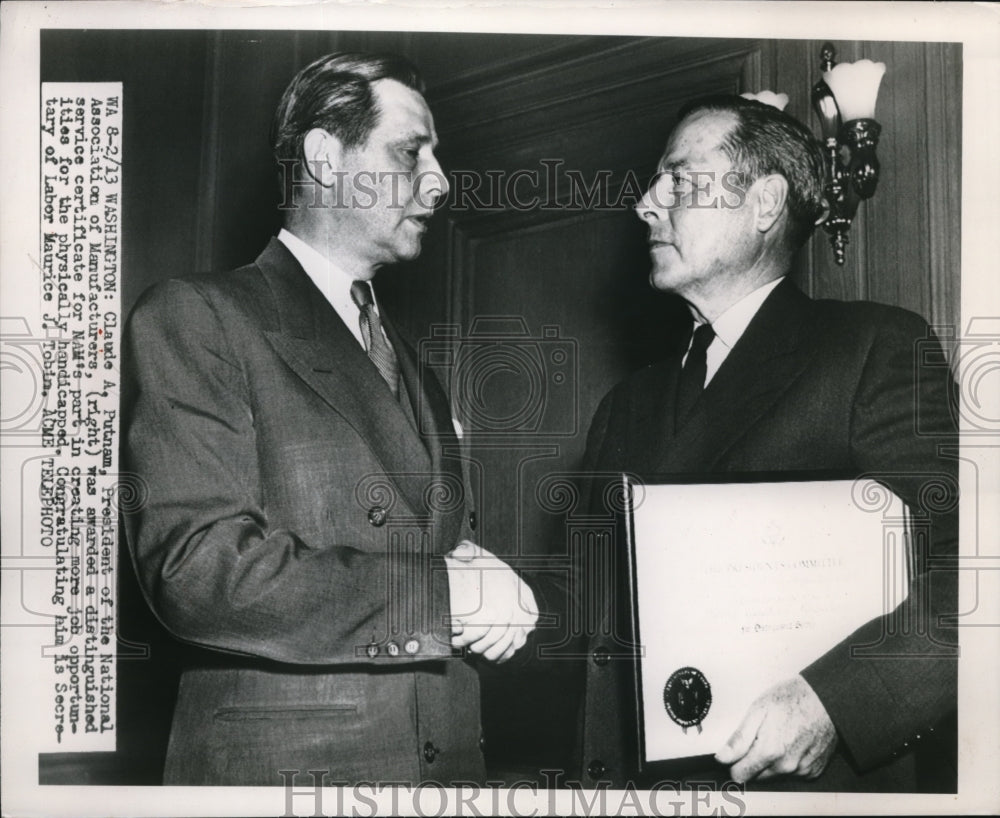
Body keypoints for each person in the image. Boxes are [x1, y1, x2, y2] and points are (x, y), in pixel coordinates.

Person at [121, 52, 539, 786]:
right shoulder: (200, 317)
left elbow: (422, 546)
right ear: (324, 155)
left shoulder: (410, 359)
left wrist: (479, 574)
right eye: (412, 153)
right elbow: (197, 570)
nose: (439, 182)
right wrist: (446, 594)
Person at [576, 94, 958, 792]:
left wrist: (837, 702)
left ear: (764, 203)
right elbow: (589, 620)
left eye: (679, 181)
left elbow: (970, 575)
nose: (645, 205)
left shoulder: (874, 348)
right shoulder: (623, 407)